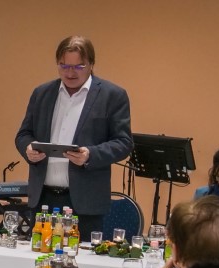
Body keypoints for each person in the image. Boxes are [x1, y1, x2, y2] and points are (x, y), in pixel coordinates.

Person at [14, 35, 132, 238]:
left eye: (79, 66)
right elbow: (24, 134)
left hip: (85, 204)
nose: (70, 73)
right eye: (64, 66)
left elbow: (123, 143)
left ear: (91, 64)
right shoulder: (42, 93)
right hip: (43, 199)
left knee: (80, 258)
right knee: (40, 254)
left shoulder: (113, 95)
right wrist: (28, 149)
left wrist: (90, 155)